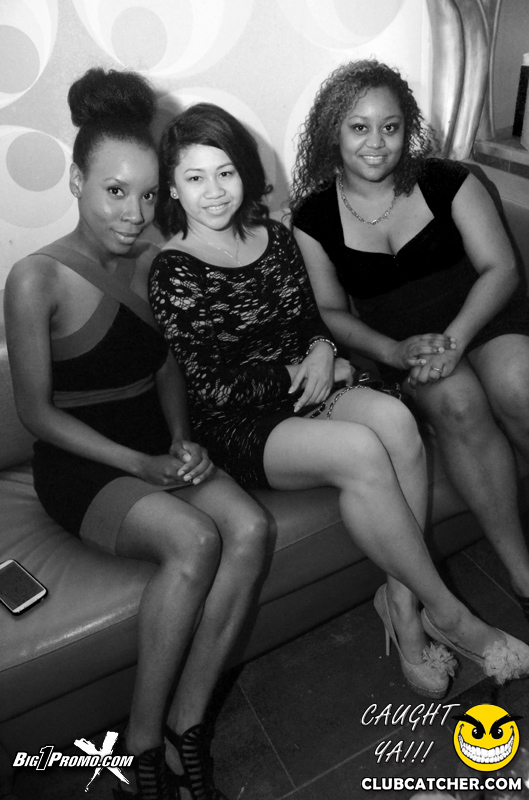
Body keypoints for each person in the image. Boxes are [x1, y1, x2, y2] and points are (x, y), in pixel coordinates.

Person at [149, 102, 529, 708]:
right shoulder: (172, 269)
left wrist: (324, 351)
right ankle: (447, 613)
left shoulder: (275, 238)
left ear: (244, 172)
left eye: (225, 172)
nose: (214, 191)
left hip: (311, 392)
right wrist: (296, 371)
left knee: (397, 421)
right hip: (242, 424)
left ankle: (398, 601)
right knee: (361, 449)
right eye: (195, 178)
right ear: (172, 187)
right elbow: (209, 387)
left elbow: (314, 319)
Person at [3, 69, 270, 800]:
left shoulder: (155, 260)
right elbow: (34, 413)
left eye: (149, 195)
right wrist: (139, 463)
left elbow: (164, 366)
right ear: (76, 180)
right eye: (116, 191)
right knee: (196, 540)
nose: (133, 213)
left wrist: (181, 439)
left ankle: (188, 726)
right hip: (81, 463)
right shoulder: (34, 279)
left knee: (250, 528)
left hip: (154, 446)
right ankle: (141, 745)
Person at [290, 59, 529, 628]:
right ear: (332, 132)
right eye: (359, 127)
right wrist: (392, 353)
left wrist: (457, 340)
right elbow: (330, 311)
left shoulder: (449, 179)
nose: (377, 143)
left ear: (407, 128)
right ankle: (523, 574)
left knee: (519, 384)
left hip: (483, 317)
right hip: (404, 344)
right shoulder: (313, 218)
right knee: (457, 404)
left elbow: (500, 268)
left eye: (390, 127)